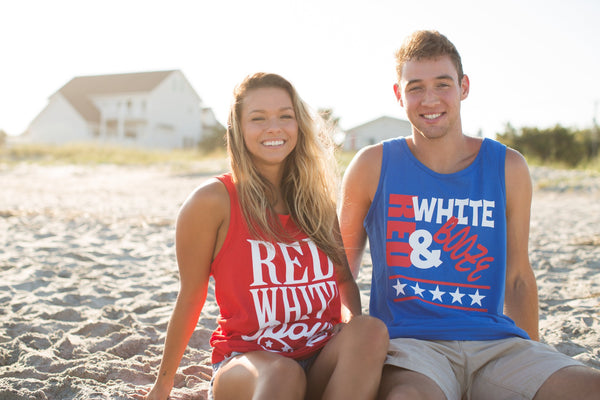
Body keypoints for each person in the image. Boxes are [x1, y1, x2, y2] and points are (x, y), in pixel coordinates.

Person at [339, 30, 600, 400]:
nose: (429, 99)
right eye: (415, 87)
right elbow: (340, 269)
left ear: (464, 86)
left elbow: (518, 278)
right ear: (399, 95)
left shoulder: (507, 166)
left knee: (590, 388)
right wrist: (357, 351)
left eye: (442, 84)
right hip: (413, 348)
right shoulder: (372, 165)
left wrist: (534, 356)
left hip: (495, 345)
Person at [143, 72, 389, 400]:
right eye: (258, 118)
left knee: (370, 330)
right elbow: (191, 296)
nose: (273, 127)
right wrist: (163, 385)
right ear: (238, 129)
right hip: (250, 364)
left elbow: (344, 281)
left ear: (298, 125)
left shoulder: (316, 202)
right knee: (283, 373)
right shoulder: (212, 201)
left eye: (285, 116)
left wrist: (350, 341)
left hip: (320, 356)